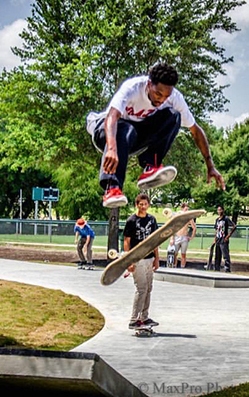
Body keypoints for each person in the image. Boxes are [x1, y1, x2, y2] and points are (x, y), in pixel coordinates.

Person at [86, 63, 225, 208]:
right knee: (125, 127)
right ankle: (112, 187)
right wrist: (112, 149)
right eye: (158, 94)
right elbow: (112, 117)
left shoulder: (175, 98)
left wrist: (210, 165)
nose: (161, 100)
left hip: (133, 139)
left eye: (166, 96)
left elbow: (196, 131)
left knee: (174, 115)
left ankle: (151, 166)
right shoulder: (132, 87)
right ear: (149, 84)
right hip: (104, 130)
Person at [125, 193, 160, 329]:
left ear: (148, 205)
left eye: (145, 204)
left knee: (149, 289)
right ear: (136, 205)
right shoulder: (131, 221)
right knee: (141, 289)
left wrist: (157, 259)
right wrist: (129, 261)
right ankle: (134, 319)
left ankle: (144, 317)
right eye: (141, 204)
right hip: (137, 259)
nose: (143, 207)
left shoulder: (152, 220)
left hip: (150, 258)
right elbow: (127, 242)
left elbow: (155, 240)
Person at [168, 202, 196, 268]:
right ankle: (174, 267)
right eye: (185, 209)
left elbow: (194, 228)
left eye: (187, 209)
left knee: (183, 254)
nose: (186, 211)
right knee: (175, 253)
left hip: (184, 237)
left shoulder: (189, 218)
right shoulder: (177, 216)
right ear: (182, 209)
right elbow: (172, 227)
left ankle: (182, 268)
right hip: (177, 236)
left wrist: (191, 237)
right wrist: (172, 238)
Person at [214, 205, 236, 272]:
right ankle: (217, 268)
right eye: (218, 210)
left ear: (223, 210)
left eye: (220, 210)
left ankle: (227, 268)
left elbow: (234, 226)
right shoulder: (217, 220)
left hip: (223, 239)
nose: (219, 211)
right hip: (218, 238)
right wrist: (215, 238)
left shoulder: (226, 218)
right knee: (217, 255)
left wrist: (228, 236)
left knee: (225, 254)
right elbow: (216, 229)